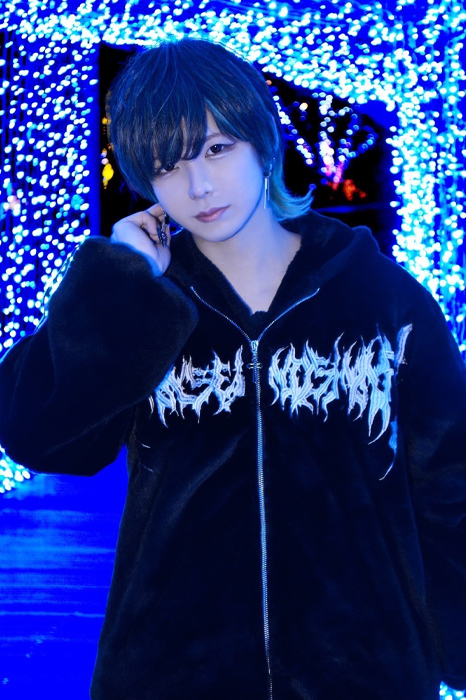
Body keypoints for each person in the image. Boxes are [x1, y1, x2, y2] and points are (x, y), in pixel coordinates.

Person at [1, 37, 466, 700]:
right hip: (171, 671)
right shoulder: (143, 304)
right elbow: (40, 437)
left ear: (262, 142)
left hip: (362, 668)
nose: (197, 186)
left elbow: (450, 486)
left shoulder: (381, 296)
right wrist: (123, 279)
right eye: (166, 166)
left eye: (217, 149)